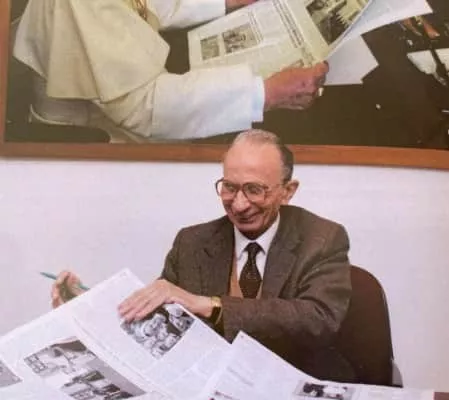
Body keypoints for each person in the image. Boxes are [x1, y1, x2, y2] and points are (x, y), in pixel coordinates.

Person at [51, 129, 353, 381]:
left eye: (254, 190)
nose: (239, 204)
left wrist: (211, 306)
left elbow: (319, 319)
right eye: (229, 188)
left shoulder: (322, 239)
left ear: (288, 191)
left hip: (289, 381)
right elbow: (157, 323)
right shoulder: (192, 243)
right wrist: (87, 310)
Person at [13, 0, 328, 143]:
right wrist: (265, 94)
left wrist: (224, 2)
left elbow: (142, 4)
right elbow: (144, 108)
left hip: (128, 101)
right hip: (98, 140)